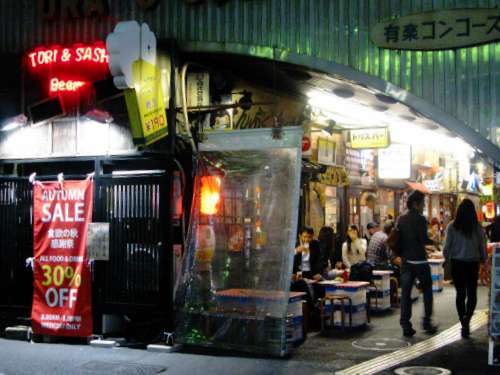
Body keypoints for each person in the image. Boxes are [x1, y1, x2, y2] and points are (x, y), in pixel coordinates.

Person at [443, 199, 487, 338]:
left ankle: (463, 320)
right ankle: (468, 317)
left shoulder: (452, 227)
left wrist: (447, 257)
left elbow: (446, 249)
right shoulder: (478, 227)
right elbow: (483, 247)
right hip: (472, 264)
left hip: (457, 264)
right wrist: (484, 259)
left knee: (460, 293)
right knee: (472, 293)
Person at [397, 190, 438, 337]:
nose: (424, 206)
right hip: (420, 261)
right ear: (415, 203)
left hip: (406, 262)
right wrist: (434, 241)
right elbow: (423, 239)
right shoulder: (420, 219)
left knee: (406, 294)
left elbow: (399, 239)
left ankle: (405, 325)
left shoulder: (401, 219)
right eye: (423, 203)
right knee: (427, 290)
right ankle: (426, 322)